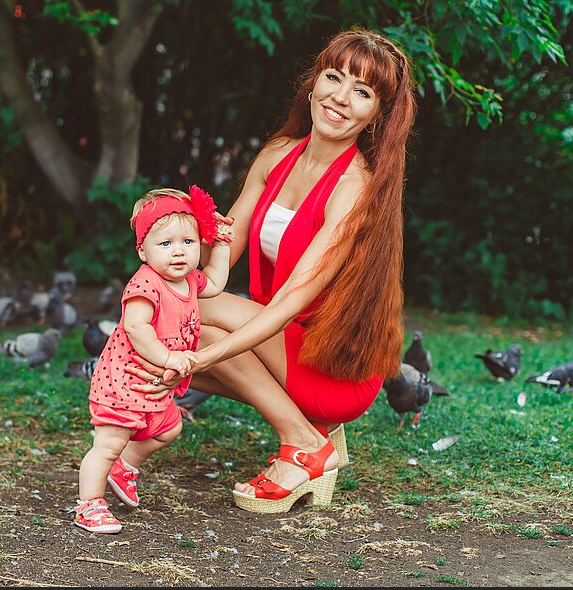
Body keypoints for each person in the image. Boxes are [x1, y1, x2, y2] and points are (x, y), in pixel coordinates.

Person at [125, 29, 416, 513]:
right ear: (314, 81)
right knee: (164, 323)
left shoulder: (354, 188)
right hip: (283, 341)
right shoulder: (278, 153)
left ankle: (303, 443)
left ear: (377, 114)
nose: (340, 98)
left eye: (362, 92)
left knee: (186, 326)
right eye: (334, 77)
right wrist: (177, 243)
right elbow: (224, 245)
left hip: (334, 366)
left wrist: (197, 353)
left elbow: (288, 304)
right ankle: (307, 432)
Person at [74, 186, 234, 533]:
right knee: (107, 445)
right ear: (142, 251)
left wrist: (221, 245)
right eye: (166, 244)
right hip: (125, 380)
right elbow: (136, 326)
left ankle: (125, 467)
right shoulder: (145, 284)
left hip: (154, 382)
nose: (178, 252)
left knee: (169, 428)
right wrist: (168, 357)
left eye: (188, 243)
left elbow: (218, 282)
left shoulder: (189, 279)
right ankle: (89, 504)